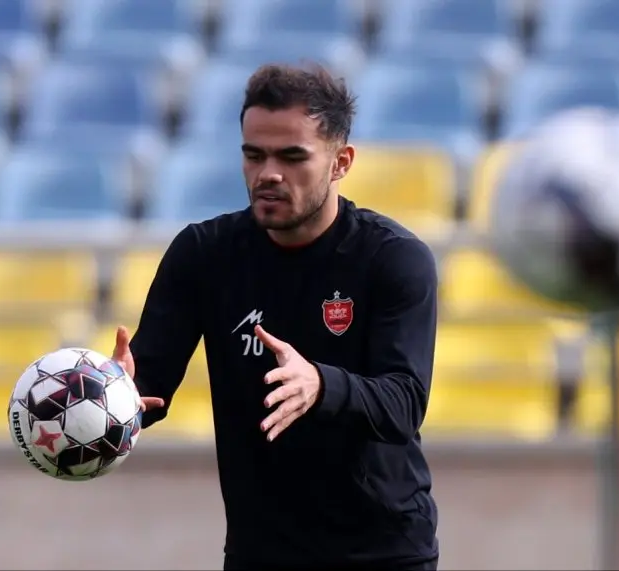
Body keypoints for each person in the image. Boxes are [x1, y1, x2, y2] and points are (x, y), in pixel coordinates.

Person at [112, 62, 440, 571]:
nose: (268, 173)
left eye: (292, 156)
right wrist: (112, 396)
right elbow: (148, 390)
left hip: (382, 552)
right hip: (260, 552)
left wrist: (321, 385)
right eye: (254, 155)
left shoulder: (392, 258)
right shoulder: (203, 254)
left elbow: (404, 402)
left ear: (340, 162)